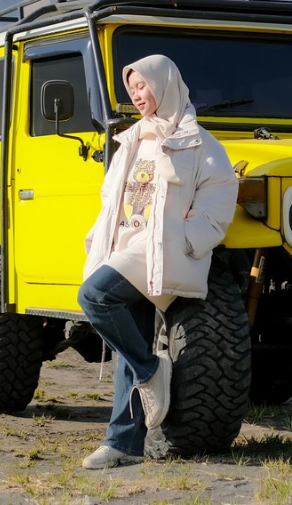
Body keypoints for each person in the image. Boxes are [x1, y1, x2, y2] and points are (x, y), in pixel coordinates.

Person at [76, 55, 237, 470]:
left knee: (95, 298)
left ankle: (150, 371)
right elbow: (112, 200)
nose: (135, 94)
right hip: (124, 248)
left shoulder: (201, 144)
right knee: (132, 340)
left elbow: (217, 207)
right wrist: (97, 240)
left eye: (142, 86)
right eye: (131, 88)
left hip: (158, 249)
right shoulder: (132, 139)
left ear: (164, 85)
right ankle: (124, 444)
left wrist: (181, 241)